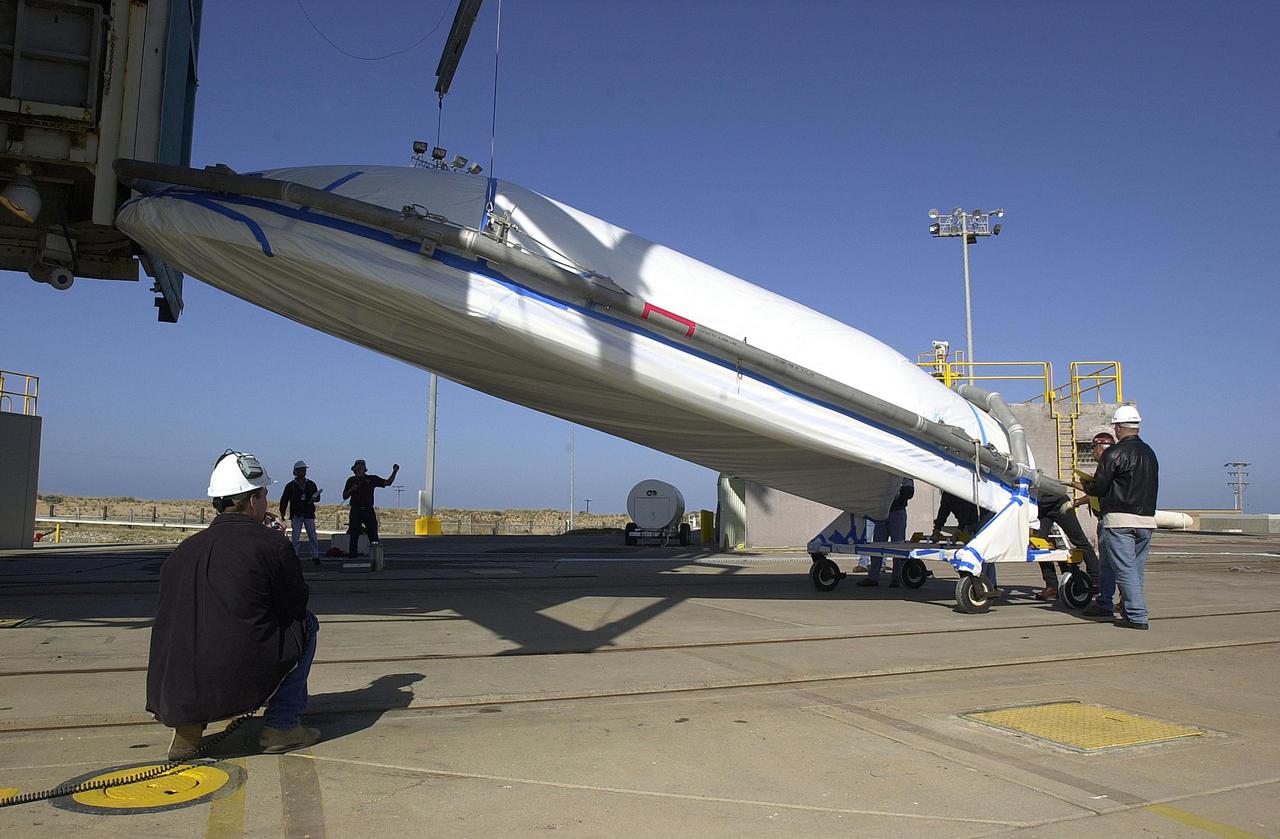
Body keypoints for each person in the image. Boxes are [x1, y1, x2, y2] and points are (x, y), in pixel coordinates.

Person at [147, 450, 320, 760]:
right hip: (239, 679)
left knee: (193, 628)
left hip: (178, 691)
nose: (267, 502)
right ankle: (281, 726)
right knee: (308, 622)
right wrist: (278, 545)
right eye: (264, 495)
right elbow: (295, 603)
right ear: (253, 501)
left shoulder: (183, 551)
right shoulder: (271, 544)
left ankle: (187, 733)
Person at [1080, 406, 1159, 629]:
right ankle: (1126, 609)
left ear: (1118, 427)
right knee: (1135, 570)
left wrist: (1087, 485)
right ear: (1137, 426)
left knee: (1124, 570)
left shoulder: (1114, 454)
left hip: (1120, 521)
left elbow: (1098, 488)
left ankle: (1137, 616)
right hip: (1146, 520)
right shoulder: (1150, 453)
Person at [1033, 483, 1100, 602]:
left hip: (1059, 503)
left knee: (1079, 540)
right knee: (1039, 545)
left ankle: (1096, 580)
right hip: (1042, 509)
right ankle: (1052, 586)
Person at [930, 490, 999, 592]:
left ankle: (984, 583)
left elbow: (966, 510)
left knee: (981, 552)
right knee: (977, 553)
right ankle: (986, 583)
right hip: (970, 520)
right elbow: (943, 512)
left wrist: (960, 528)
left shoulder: (960, 491)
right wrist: (937, 529)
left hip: (982, 517)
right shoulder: (947, 495)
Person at [858, 478, 914, 587]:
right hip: (882, 512)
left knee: (897, 546)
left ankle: (896, 578)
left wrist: (897, 492)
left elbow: (909, 492)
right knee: (877, 545)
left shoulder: (904, 474)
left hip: (897, 511)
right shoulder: (883, 474)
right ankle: (873, 576)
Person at [343, 459, 398, 558]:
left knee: (373, 534)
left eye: (362, 467)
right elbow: (344, 496)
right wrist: (351, 490)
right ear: (354, 469)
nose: (360, 468)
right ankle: (352, 556)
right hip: (356, 510)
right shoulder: (351, 480)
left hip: (368, 510)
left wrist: (394, 471)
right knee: (354, 534)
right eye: (358, 467)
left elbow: (387, 483)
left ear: (365, 469)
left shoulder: (372, 479)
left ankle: (376, 557)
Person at [280, 460, 322, 566]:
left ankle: (315, 556)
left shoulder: (311, 484)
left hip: (308, 514)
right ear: (295, 472)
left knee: (312, 536)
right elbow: (284, 500)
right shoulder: (290, 486)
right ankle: (295, 556)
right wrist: (282, 513)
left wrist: (314, 498)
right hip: (296, 514)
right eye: (300, 470)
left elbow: (318, 498)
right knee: (295, 537)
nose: (302, 472)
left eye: (304, 470)